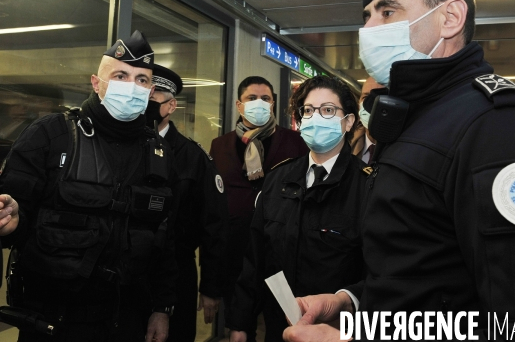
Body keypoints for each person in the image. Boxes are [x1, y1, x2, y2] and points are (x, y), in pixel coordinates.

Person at [283, 0, 515, 341]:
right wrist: (352, 303)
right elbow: (427, 273)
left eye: (387, 12)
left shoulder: (501, 128)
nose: (368, 30)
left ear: (450, 18)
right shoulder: (422, 119)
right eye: (367, 16)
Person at [0, 30, 177, 342]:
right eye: (121, 75)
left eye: (142, 80)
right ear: (97, 83)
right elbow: (15, 215)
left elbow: (166, 237)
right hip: (54, 317)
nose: (131, 86)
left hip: (127, 317)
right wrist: (11, 221)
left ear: (151, 91)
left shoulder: (157, 152)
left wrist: (162, 307)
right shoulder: (51, 135)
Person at [229, 75, 369, 342]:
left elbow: (378, 271)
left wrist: (347, 303)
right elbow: (255, 258)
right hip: (278, 328)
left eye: (328, 110)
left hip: (336, 331)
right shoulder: (279, 178)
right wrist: (240, 321)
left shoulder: (367, 186)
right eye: (308, 110)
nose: (316, 117)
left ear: (348, 121)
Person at [210, 76, 309, 338]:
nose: (259, 104)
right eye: (251, 98)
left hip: (279, 252)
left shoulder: (295, 143)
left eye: (265, 99)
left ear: (273, 104)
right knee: (239, 330)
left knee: (284, 328)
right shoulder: (220, 146)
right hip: (236, 252)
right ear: (239, 105)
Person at [146, 64, 229, 342]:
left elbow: (214, 224)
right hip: (129, 272)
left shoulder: (193, 157)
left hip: (177, 270)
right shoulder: (122, 147)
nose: (143, 103)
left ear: (170, 106)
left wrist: (211, 287)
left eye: (152, 98)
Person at [349, 77, 385, 163]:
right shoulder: (343, 144)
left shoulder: (405, 149)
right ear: (359, 106)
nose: (370, 104)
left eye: (379, 97)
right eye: (365, 98)